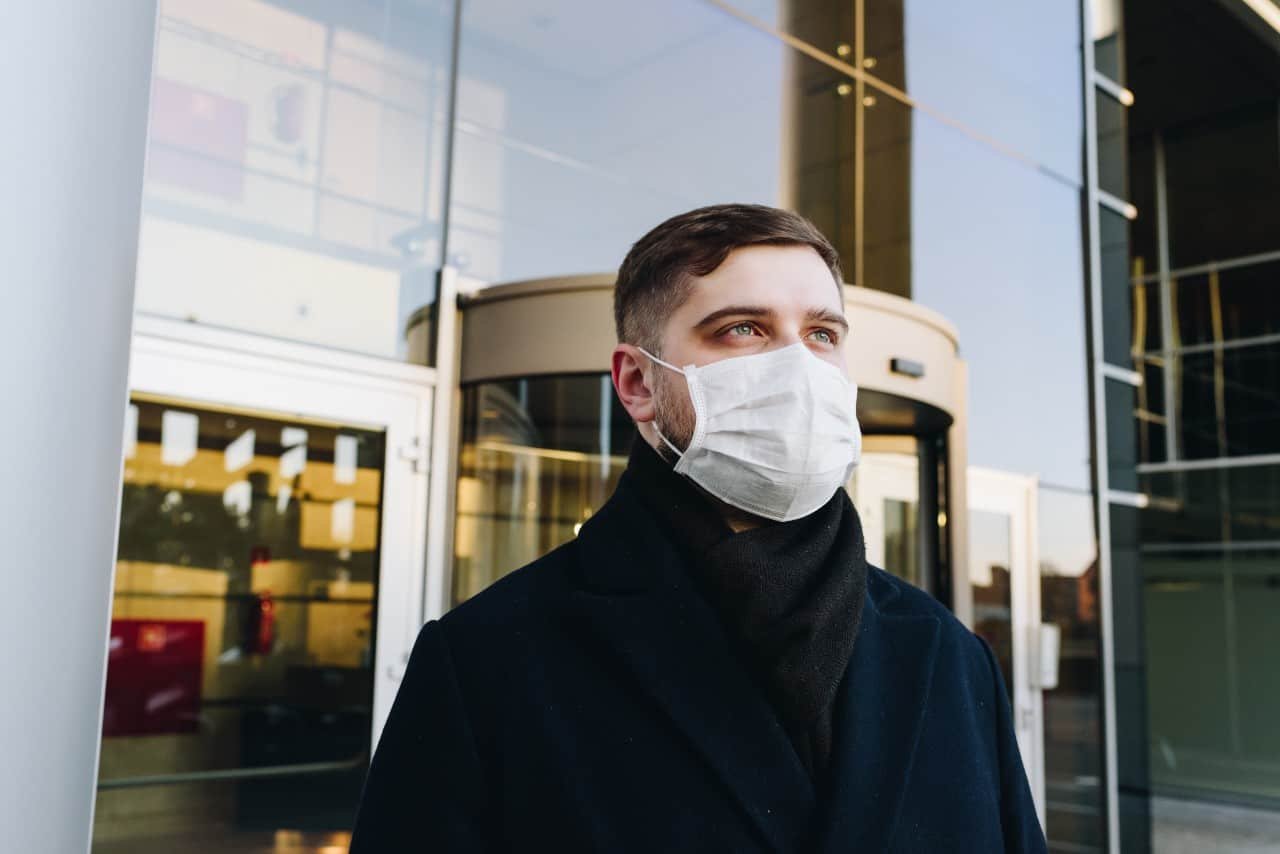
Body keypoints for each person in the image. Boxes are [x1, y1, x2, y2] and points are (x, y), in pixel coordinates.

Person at [350, 204, 1047, 852]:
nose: (798, 367)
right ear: (637, 384)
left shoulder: (949, 655)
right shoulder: (486, 663)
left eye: (822, 334)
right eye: (744, 328)